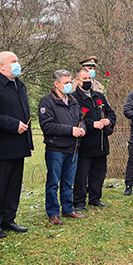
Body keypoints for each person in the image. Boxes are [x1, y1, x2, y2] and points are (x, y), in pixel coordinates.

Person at [0, 51, 33, 238]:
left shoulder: (19, 84)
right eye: (14, 61)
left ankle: (8, 219)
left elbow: (27, 115)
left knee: (14, 185)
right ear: (1, 66)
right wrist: (13, 125)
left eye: (18, 60)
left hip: (19, 144)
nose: (18, 64)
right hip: (1, 145)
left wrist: (29, 141)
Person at [38, 70, 87, 225]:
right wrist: (70, 130)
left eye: (70, 82)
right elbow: (47, 126)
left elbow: (81, 118)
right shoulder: (47, 102)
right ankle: (53, 212)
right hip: (56, 149)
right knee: (53, 182)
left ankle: (67, 209)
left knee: (68, 181)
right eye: (65, 83)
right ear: (56, 84)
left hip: (73, 148)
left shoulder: (73, 100)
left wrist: (82, 128)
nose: (69, 85)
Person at [72, 67, 117, 211]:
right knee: (81, 174)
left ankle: (95, 198)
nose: (87, 81)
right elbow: (75, 118)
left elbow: (111, 113)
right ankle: (79, 201)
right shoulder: (74, 98)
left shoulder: (99, 96)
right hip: (85, 142)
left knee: (99, 172)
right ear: (78, 81)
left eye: (89, 79)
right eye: (84, 79)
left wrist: (108, 121)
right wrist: (92, 124)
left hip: (101, 142)